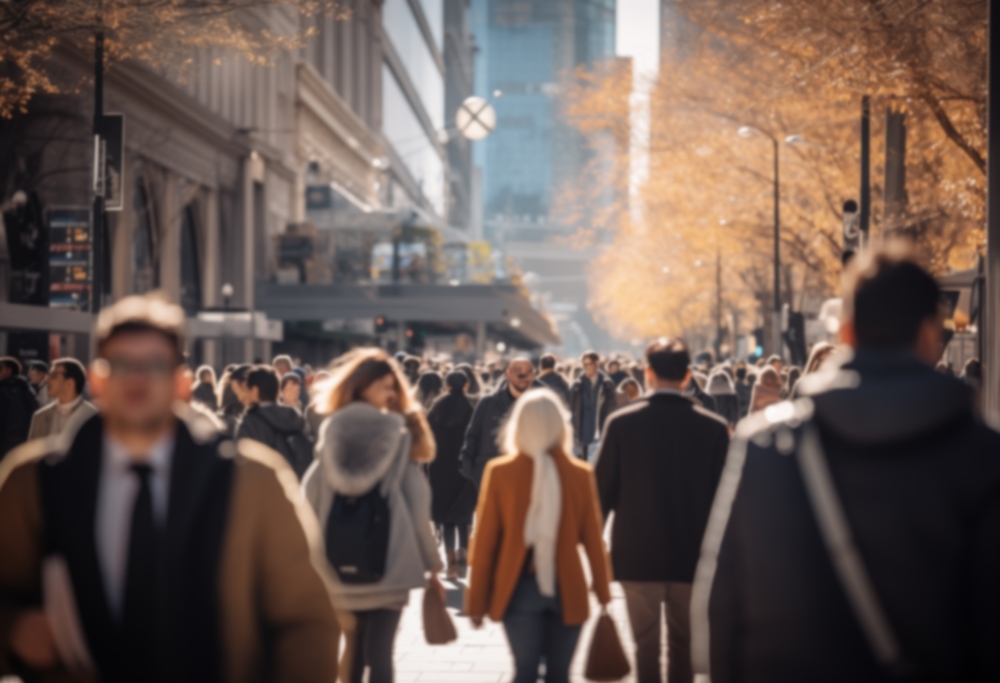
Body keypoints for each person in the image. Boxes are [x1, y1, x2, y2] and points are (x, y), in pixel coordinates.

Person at [0, 292, 340, 682]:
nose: (138, 379)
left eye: (156, 365)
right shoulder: (34, 481)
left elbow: (306, 620)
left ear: (182, 384)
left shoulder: (252, 480)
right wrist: (15, 631)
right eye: (123, 365)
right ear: (97, 379)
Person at [694, 250, 1000, 682]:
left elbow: (722, 607)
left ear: (847, 331)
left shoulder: (766, 445)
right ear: (931, 334)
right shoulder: (983, 457)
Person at [302, 348, 441, 683]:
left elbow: (309, 496)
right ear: (363, 386)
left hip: (336, 563)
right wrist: (431, 562)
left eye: (393, 386)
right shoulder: (398, 433)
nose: (391, 393)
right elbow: (417, 502)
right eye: (384, 386)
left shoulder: (331, 431)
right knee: (381, 655)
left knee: (351, 650)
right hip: (391, 562)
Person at [595, 338, 729, 683]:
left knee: (646, 643)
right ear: (687, 376)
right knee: (686, 645)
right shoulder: (713, 429)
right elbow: (727, 501)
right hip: (695, 556)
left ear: (647, 373)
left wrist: (593, 553)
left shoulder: (621, 425)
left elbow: (600, 496)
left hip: (636, 554)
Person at [466, 388, 612, 683]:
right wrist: (604, 592)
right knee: (560, 674)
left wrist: (476, 602)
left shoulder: (500, 472)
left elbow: (485, 543)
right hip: (568, 585)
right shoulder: (579, 473)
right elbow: (594, 540)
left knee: (524, 670)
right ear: (561, 425)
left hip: (517, 587)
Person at [459, 357, 541, 489]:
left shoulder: (541, 406)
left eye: (528, 372)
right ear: (507, 374)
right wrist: (473, 473)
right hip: (489, 480)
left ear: (533, 375)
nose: (522, 375)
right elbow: (472, 436)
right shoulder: (488, 403)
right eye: (517, 371)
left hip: (527, 483)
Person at [427, 371, 477, 579]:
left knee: (446, 518)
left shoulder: (436, 408)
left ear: (446, 385)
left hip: (439, 469)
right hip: (464, 469)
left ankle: (451, 564)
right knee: (463, 517)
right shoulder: (472, 408)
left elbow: (426, 438)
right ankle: (463, 556)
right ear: (466, 385)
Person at [235, 365, 313, 478]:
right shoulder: (294, 417)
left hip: (265, 490)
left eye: (247, 389)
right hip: (296, 487)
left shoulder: (250, 422)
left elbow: (241, 466)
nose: (244, 395)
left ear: (255, 390)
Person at [27, 358, 97, 440]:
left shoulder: (93, 416)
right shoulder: (40, 417)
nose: (47, 379)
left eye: (53, 376)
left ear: (69, 383)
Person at [569, 351, 616, 461]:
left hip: (600, 436)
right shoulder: (576, 386)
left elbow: (612, 410)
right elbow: (571, 411)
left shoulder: (607, 385)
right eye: (584, 364)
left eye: (589, 364)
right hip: (582, 437)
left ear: (597, 363)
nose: (586, 367)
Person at [0, 356, 39, 459]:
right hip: (25, 446)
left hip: (5, 447)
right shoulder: (29, 390)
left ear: (9, 371)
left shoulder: (3, 391)